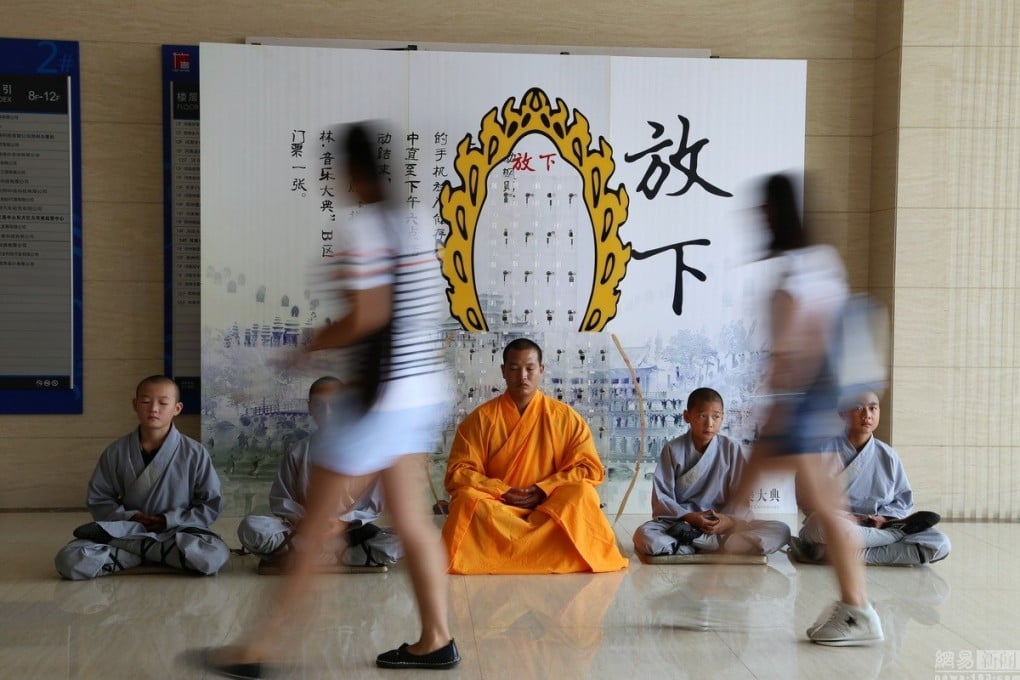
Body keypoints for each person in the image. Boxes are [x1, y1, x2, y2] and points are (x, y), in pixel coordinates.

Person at [203, 122, 458, 678]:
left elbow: (368, 316)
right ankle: (437, 638)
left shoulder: (366, 227)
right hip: (421, 392)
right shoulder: (416, 223)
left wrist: (307, 346)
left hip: (378, 397)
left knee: (318, 522)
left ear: (352, 172)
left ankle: (259, 648)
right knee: (411, 521)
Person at [728, 173, 884, 646]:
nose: (756, 216)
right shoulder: (822, 261)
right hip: (809, 405)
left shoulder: (792, 274)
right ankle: (708, 592)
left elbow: (790, 355)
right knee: (747, 494)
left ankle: (858, 609)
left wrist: (776, 400)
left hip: (799, 408)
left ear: (775, 212)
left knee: (826, 510)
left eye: (762, 209)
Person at [441, 338, 628, 574]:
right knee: (467, 500)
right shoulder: (481, 419)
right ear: (503, 371)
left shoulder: (565, 418)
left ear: (541, 370)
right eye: (514, 368)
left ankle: (508, 556)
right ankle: (545, 555)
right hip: (499, 507)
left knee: (582, 494)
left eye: (530, 368)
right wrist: (501, 490)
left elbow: (588, 468)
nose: (523, 377)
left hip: (549, 505)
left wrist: (545, 488)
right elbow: (459, 472)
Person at [55, 375, 230, 580]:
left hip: (176, 533)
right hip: (128, 530)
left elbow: (210, 504)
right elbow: (100, 499)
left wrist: (168, 520)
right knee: (68, 559)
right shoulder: (116, 452)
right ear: (135, 404)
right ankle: (159, 555)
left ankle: (134, 555)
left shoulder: (195, 452)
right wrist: (132, 518)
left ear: (177, 408)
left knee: (213, 555)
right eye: (146, 402)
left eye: (163, 403)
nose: (153, 409)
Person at [237, 376, 404, 571]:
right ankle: (342, 557)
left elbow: (371, 508)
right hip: (304, 531)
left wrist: (340, 522)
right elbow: (282, 499)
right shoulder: (298, 452)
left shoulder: (365, 454)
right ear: (310, 408)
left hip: (351, 532)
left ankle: (310, 556)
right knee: (250, 526)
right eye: (319, 405)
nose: (327, 412)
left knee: (407, 537)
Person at [792, 391, 949, 566]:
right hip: (837, 524)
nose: (867, 415)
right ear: (842, 413)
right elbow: (807, 500)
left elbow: (903, 502)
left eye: (873, 408)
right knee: (819, 527)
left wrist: (883, 519)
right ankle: (895, 537)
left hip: (877, 527)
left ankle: (841, 555)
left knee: (939, 542)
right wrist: (850, 518)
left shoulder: (888, 456)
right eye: (858, 408)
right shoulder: (819, 452)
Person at [632, 387, 790, 558]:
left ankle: (691, 545)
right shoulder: (673, 449)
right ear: (687, 416)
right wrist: (691, 517)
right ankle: (722, 545)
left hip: (723, 524)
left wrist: (728, 520)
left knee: (780, 529)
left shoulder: (731, 449)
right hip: (684, 523)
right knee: (643, 534)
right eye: (702, 416)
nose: (709, 424)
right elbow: (662, 498)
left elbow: (741, 497)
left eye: (716, 417)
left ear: (723, 417)